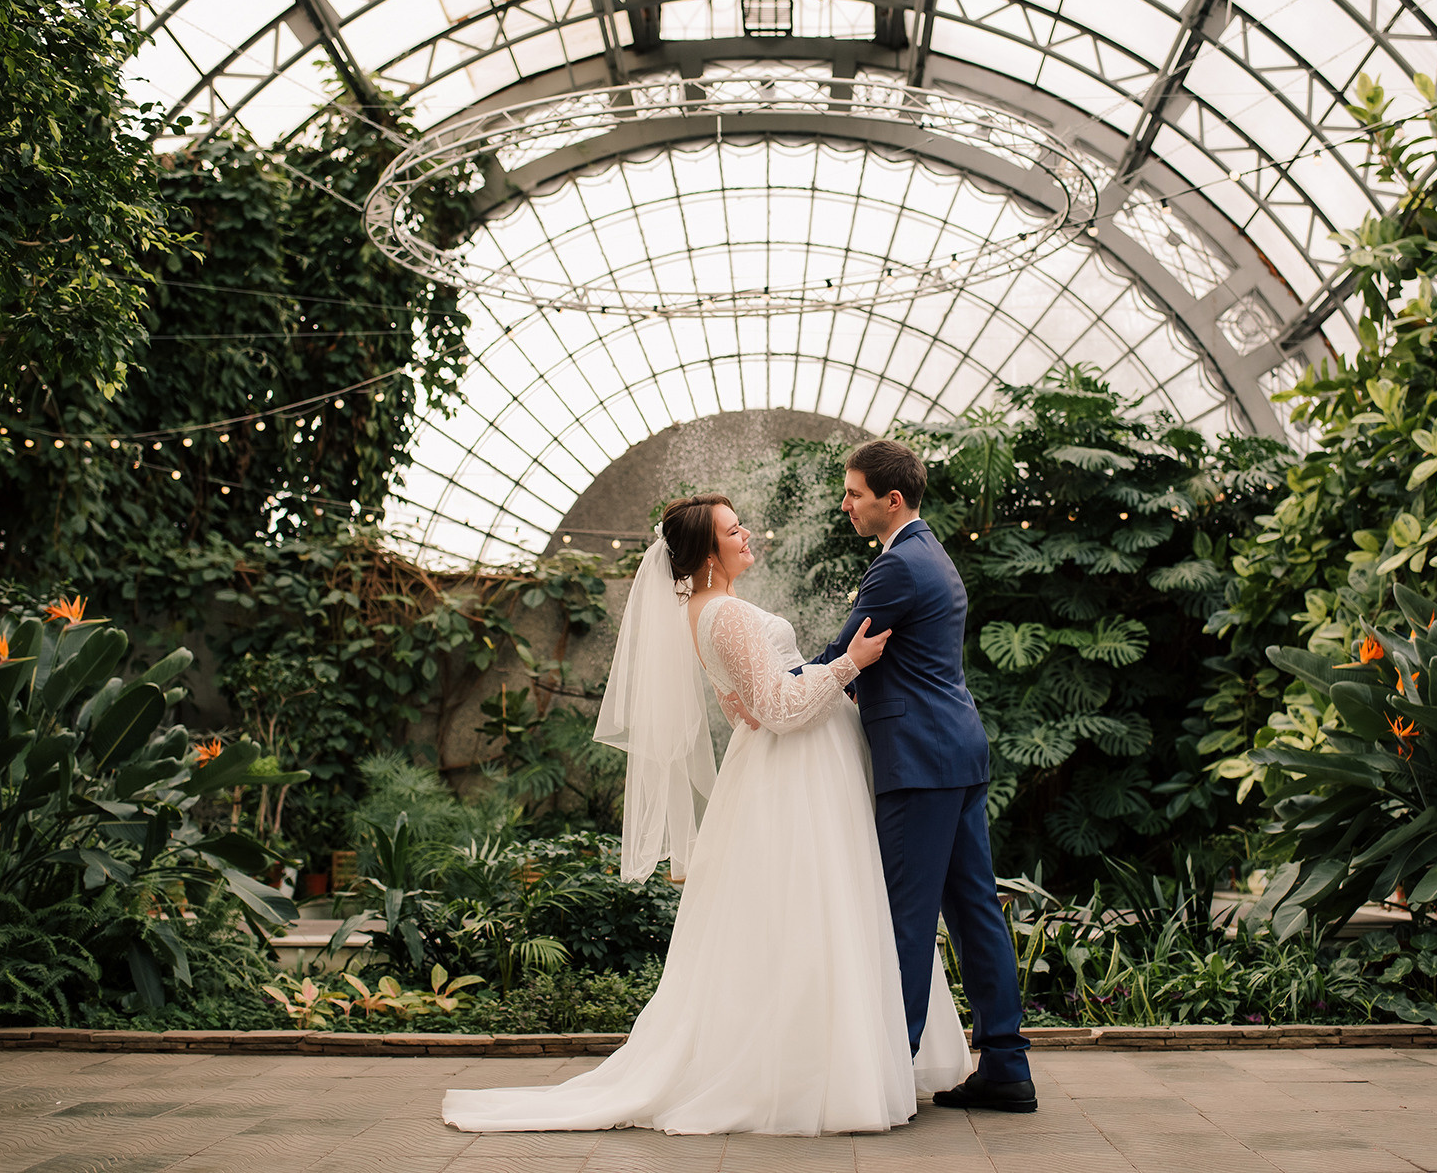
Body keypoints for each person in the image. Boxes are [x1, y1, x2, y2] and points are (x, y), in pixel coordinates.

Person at [441, 493, 972, 1137]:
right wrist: (848, 665)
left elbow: (742, 706)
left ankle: (835, 1061)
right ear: (706, 552)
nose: (747, 535)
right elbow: (779, 709)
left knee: (805, 918)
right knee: (816, 912)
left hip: (783, 773)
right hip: (795, 776)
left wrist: (803, 683)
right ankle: (826, 1070)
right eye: (732, 530)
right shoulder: (724, 614)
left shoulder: (702, 612)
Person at [800, 439, 1035, 1113]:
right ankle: (1007, 1066)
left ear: (890, 499)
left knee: (904, 918)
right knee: (973, 912)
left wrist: (772, 686)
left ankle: (886, 1072)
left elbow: (843, 654)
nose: (845, 503)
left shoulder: (898, 567)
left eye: (854, 493)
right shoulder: (929, 553)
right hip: (955, 754)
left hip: (920, 763)